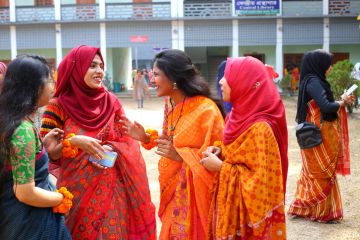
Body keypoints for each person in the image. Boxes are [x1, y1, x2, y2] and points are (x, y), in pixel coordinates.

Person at [40, 45, 156, 239]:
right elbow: (48, 153)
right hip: (76, 191)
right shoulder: (57, 106)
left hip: (112, 187)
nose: (99, 71)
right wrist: (75, 142)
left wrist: (112, 147)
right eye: (92, 65)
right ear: (76, 68)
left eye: (101, 66)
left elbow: (126, 140)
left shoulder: (111, 101)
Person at [121, 49, 226, 239]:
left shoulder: (206, 111)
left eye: (157, 75)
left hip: (197, 198)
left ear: (174, 77)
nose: (152, 80)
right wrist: (145, 138)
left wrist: (180, 156)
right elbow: (170, 140)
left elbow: (218, 160)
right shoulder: (170, 103)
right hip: (173, 191)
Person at [200, 56, 288, 239]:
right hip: (229, 208)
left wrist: (220, 167)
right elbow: (239, 154)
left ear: (245, 83)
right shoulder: (234, 116)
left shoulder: (261, 129)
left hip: (248, 220)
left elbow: (261, 184)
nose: (221, 81)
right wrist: (220, 151)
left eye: (227, 77)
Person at [0, 55, 71, 239]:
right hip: (28, 222)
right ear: (33, 86)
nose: (52, 87)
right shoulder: (22, 130)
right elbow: (25, 192)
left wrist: (42, 148)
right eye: (49, 81)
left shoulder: (12, 121)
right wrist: (61, 198)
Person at [288, 49, 355, 223]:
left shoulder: (311, 81)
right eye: (328, 64)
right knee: (320, 172)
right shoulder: (314, 82)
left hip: (316, 132)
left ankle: (307, 207)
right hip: (321, 134)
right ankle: (319, 211)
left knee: (313, 171)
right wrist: (343, 102)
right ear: (319, 64)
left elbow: (323, 103)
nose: (330, 67)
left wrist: (340, 101)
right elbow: (325, 106)